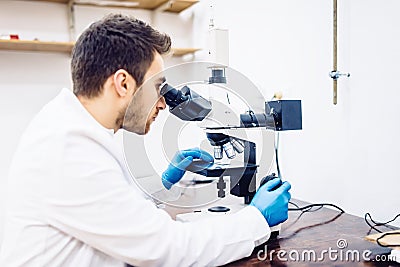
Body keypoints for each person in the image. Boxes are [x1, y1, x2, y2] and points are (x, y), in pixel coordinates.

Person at [0, 14, 291, 266]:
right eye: (159, 87)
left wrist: (161, 183)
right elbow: (165, 249)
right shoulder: (67, 148)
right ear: (123, 83)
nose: (164, 103)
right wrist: (256, 219)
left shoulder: (78, 129)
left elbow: (116, 214)